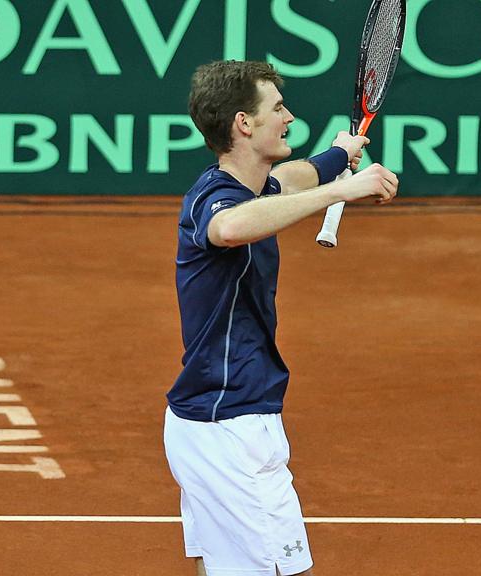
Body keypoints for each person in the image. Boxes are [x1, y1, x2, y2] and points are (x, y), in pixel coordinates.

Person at [162, 60, 397, 576]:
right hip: (231, 426)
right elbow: (230, 228)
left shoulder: (250, 184)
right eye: (277, 108)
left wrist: (338, 158)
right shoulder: (218, 201)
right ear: (244, 123)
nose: (289, 116)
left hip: (206, 418)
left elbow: (291, 180)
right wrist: (340, 191)